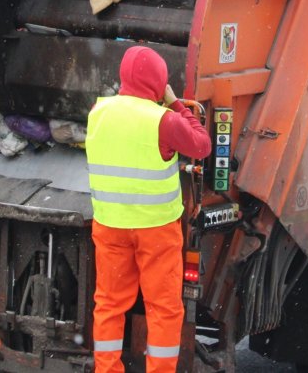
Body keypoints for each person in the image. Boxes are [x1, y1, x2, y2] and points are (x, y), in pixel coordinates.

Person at [85, 46, 211, 373]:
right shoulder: (163, 120)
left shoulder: (98, 112)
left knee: (109, 305)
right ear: (158, 81)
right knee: (164, 309)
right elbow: (202, 145)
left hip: (110, 226)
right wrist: (174, 101)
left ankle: (107, 368)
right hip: (156, 231)